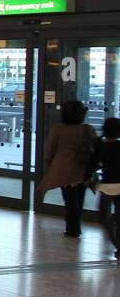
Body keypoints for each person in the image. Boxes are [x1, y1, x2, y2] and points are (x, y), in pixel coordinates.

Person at [40, 99, 97, 238]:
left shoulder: (59, 128)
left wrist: (51, 163)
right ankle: (75, 224)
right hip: (83, 169)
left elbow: (50, 149)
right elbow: (95, 149)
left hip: (64, 169)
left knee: (70, 199)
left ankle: (72, 227)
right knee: (79, 198)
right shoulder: (88, 129)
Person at [92, 117, 120, 260]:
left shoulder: (100, 146)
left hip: (107, 185)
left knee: (104, 214)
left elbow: (93, 163)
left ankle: (117, 243)